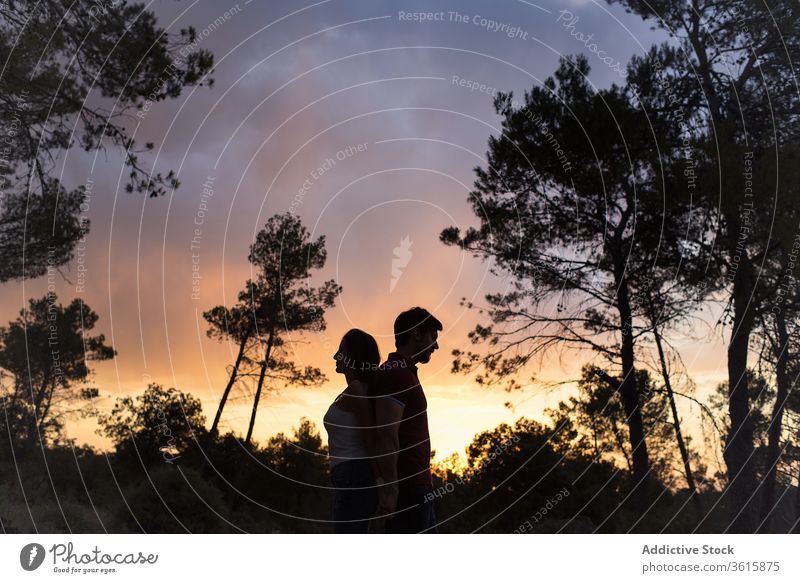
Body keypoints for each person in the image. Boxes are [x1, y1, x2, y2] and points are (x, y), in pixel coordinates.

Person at [372, 307, 442, 533]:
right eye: (433, 337)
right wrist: (390, 489)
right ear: (417, 334)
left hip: (417, 487)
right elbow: (385, 432)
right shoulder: (397, 374)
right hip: (408, 489)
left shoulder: (404, 373)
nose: (436, 345)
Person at [323, 328, 381, 533]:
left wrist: (380, 481)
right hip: (346, 477)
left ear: (354, 356)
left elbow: (369, 437)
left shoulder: (357, 389)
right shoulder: (351, 390)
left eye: (341, 351)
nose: (335, 356)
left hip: (355, 477)